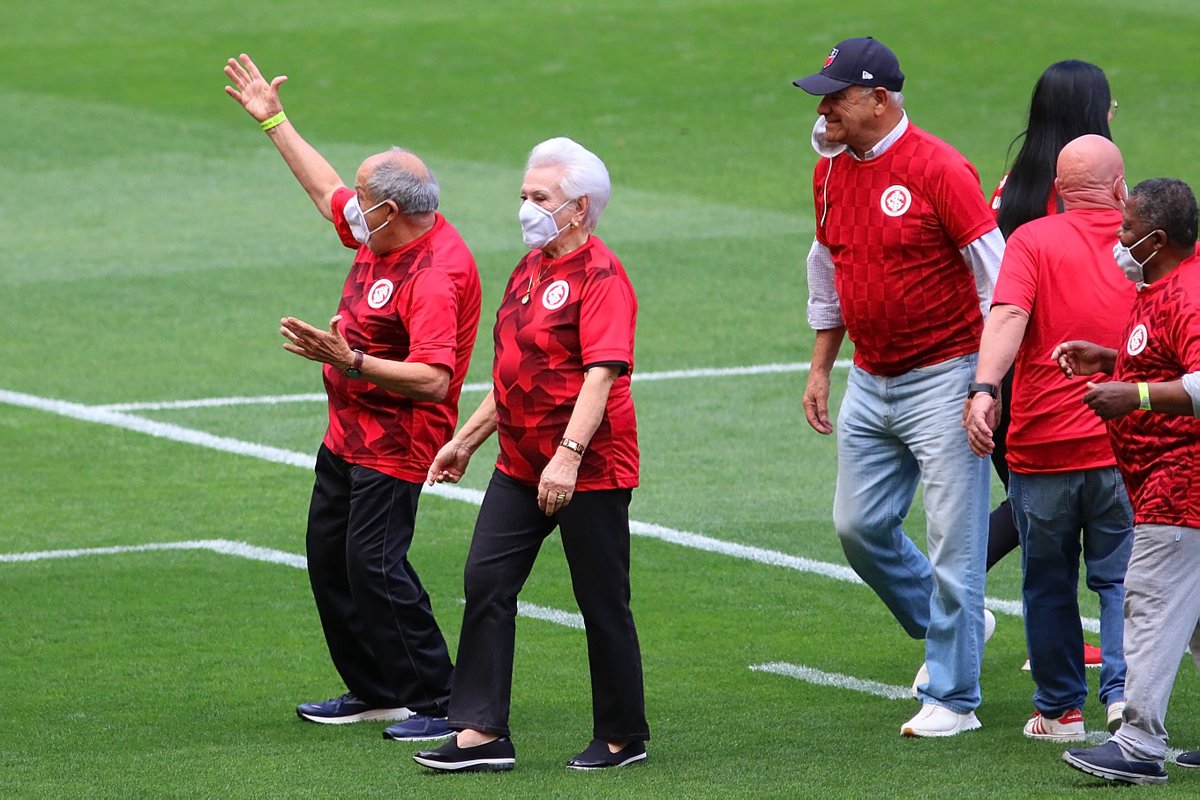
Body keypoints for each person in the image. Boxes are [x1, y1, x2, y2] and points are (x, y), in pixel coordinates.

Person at [223, 54, 482, 739]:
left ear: (390, 209)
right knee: (328, 555)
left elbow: (434, 377)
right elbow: (325, 188)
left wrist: (353, 359)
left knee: (375, 565)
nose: (350, 203)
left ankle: (440, 700)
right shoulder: (385, 231)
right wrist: (274, 120)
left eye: (364, 195)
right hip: (348, 433)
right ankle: (374, 689)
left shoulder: (435, 273)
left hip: (397, 443)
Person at [410, 137, 648, 772]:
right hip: (519, 464)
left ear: (578, 208)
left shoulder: (602, 277)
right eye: (524, 195)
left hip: (587, 468)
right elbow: (514, 374)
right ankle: (482, 732)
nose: (525, 207)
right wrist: (465, 439)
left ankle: (623, 736)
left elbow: (600, 374)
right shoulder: (528, 269)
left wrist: (568, 456)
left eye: (539, 197)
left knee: (601, 600)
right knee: (486, 582)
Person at [793, 36, 1004, 737]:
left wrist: (986, 381)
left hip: (945, 379)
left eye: (836, 98)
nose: (824, 111)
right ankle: (963, 625)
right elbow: (828, 272)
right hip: (870, 379)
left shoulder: (941, 168)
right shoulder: (829, 172)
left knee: (955, 543)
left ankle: (954, 698)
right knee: (859, 528)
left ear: (878, 99)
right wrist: (823, 365)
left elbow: (996, 279)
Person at [963, 134, 1134, 741]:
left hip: (1042, 449)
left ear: (1058, 190)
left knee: (1048, 581)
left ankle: (1060, 710)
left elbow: (1007, 315)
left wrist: (984, 387)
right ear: (1120, 189)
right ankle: (1125, 701)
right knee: (1123, 580)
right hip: (1125, 445)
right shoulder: (1145, 244)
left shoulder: (1032, 239)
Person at [1053, 178, 1200, 786]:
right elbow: (1167, 360)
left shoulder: (1189, 294)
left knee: (1150, 602)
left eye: (1127, 229)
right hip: (1166, 484)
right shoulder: (1163, 284)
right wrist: (1114, 361)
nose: (1119, 239)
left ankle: (1138, 743)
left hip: (1182, 485)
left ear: (1157, 239)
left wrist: (1131, 392)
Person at [986, 61, 1116, 672]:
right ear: (1090, 115)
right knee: (1087, 526)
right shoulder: (1098, 192)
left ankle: (1052, 655)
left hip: (1010, 377)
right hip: (1075, 378)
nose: (1115, 115)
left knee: (1035, 512)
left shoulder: (1013, 185)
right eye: (1109, 105)